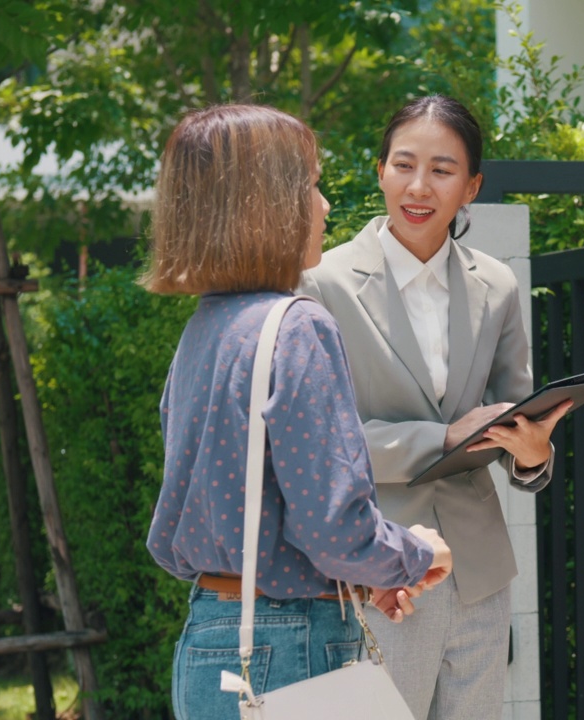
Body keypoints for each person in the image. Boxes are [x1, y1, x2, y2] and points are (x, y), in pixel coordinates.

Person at [144, 104, 452, 720]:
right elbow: (333, 526)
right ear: (267, 204)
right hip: (289, 645)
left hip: (209, 639)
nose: (324, 206)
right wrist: (416, 554)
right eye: (311, 185)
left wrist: (363, 576)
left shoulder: (207, 330)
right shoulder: (298, 325)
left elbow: (252, 508)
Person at [300, 94, 570, 719]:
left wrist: (532, 456)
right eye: (403, 164)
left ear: (471, 185)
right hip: (380, 570)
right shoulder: (322, 283)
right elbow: (319, 444)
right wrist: (443, 438)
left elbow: (509, 417)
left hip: (479, 574)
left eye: (443, 170)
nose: (419, 186)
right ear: (380, 171)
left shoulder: (497, 286)